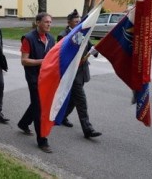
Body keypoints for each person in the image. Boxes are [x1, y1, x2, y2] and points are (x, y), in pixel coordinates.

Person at [57, 9, 102, 139]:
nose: (78, 23)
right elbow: (62, 55)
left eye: (79, 21)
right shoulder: (63, 35)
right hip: (71, 73)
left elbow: (89, 46)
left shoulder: (82, 32)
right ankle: (88, 129)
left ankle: (62, 116)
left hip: (82, 71)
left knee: (73, 99)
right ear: (69, 22)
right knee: (81, 100)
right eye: (76, 21)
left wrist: (94, 50)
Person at [18, 12, 55, 153]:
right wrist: (42, 62)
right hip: (33, 78)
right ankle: (42, 141)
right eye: (46, 22)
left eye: (50, 22)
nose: (49, 24)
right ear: (38, 22)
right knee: (40, 108)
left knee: (36, 103)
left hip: (46, 77)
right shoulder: (28, 38)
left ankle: (23, 123)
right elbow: (24, 60)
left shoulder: (50, 39)